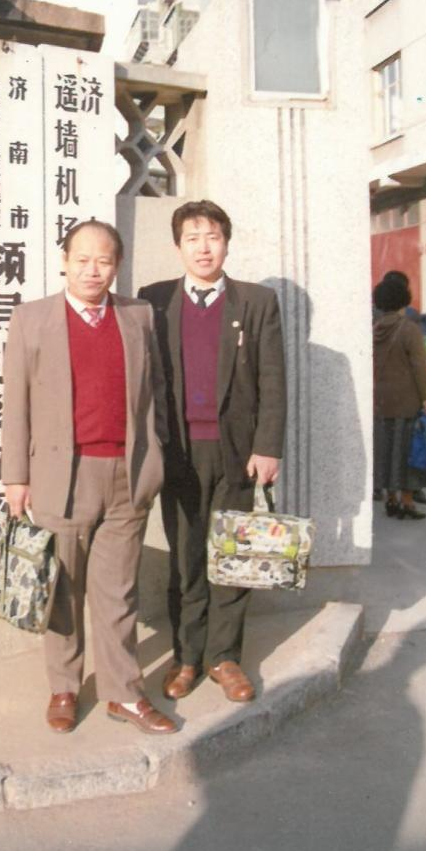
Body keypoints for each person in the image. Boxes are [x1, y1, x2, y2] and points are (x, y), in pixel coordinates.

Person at [1, 219, 177, 735]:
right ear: (64, 261)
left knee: (119, 594)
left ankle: (124, 693)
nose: (92, 270)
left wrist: (156, 455)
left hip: (127, 474)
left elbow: (157, 391)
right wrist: (16, 477)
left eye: (103, 260)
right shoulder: (32, 319)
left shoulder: (138, 315)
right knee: (63, 589)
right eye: (82, 259)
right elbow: (15, 403)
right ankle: (65, 686)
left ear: (117, 265)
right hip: (63, 475)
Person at [138, 200, 286, 704]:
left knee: (233, 555)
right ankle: (186, 656)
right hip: (178, 451)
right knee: (186, 557)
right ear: (178, 246)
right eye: (193, 238)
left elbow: (273, 379)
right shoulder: (154, 300)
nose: (204, 248)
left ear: (226, 242)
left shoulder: (257, 302)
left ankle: (224, 657)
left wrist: (268, 446)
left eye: (213, 237)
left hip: (236, 452)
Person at [373, 277, 426, 520]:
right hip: (407, 403)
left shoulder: (374, 328)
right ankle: (407, 502)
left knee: (386, 453)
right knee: (409, 454)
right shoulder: (409, 329)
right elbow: (419, 367)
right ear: (403, 300)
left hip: (381, 403)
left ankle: (390, 499)